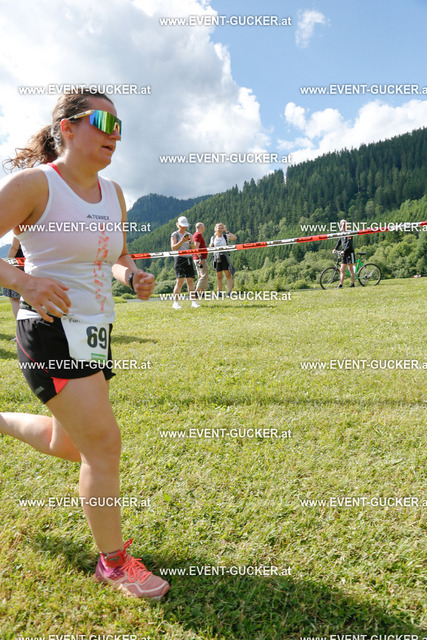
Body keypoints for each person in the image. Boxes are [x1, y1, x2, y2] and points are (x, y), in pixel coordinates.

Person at [0, 89, 169, 599]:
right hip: (49, 329)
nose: (115, 134)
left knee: (69, 444)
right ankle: (113, 564)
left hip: (94, 331)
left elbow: (115, 255)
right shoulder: (35, 184)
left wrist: (132, 275)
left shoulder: (113, 193)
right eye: (103, 122)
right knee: (102, 444)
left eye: (120, 126)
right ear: (67, 128)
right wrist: (24, 282)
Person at [170, 216, 199, 309]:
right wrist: (182, 241)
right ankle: (175, 302)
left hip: (189, 259)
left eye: (184, 226)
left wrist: (191, 242)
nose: (183, 227)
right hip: (179, 259)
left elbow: (193, 248)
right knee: (180, 281)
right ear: (178, 225)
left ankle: (193, 301)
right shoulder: (175, 234)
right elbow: (173, 248)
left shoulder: (189, 234)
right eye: (182, 226)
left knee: (190, 281)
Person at [209, 223, 237, 296]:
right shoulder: (213, 238)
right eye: (219, 228)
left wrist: (227, 231)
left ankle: (229, 292)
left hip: (224, 257)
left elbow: (234, 237)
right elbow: (210, 246)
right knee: (219, 276)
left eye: (222, 228)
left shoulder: (225, 236)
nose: (220, 229)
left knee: (228, 274)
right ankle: (219, 292)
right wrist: (211, 246)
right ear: (215, 229)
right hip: (216, 257)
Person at [3, 236, 24, 326]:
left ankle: (20, 327)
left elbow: (14, 247)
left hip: (18, 265)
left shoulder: (22, 228)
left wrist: (7, 263)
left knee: (15, 298)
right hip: (34, 263)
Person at [333, 219, 355, 288]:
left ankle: (352, 283)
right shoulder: (342, 233)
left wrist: (344, 251)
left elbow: (349, 244)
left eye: (344, 225)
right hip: (344, 253)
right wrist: (335, 248)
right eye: (342, 225)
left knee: (350, 268)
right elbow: (339, 241)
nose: (343, 226)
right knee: (342, 269)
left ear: (347, 225)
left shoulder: (349, 233)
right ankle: (340, 284)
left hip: (349, 252)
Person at [192, 222, 209, 297]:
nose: (204, 228)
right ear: (201, 227)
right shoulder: (198, 235)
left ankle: (202, 293)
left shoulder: (195, 235)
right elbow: (196, 247)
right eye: (203, 227)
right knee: (204, 274)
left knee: (200, 275)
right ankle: (196, 291)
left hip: (197, 258)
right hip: (200, 258)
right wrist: (201, 257)